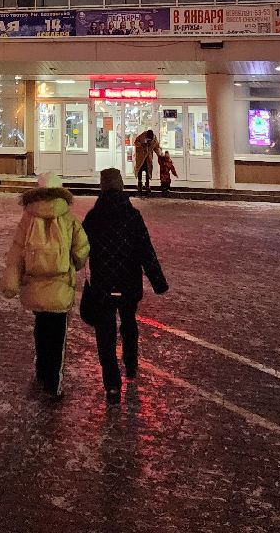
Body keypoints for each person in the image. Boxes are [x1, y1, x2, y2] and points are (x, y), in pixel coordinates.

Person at [1, 171, 90, 400]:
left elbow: (16, 252)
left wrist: (11, 283)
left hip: (36, 287)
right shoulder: (68, 218)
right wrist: (75, 264)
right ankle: (53, 382)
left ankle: (41, 372)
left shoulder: (28, 218)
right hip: (60, 288)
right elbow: (82, 249)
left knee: (41, 330)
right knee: (57, 336)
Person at [82, 167, 167, 404]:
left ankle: (111, 384)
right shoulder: (133, 215)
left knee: (105, 333)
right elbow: (145, 250)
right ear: (120, 186)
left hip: (103, 285)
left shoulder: (93, 217)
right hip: (129, 283)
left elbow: (80, 249)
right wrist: (158, 282)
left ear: (102, 187)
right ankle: (130, 364)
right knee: (129, 323)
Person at [132, 128, 157, 194]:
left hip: (148, 158)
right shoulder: (141, 137)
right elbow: (135, 142)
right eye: (148, 139)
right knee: (139, 170)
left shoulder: (154, 139)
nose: (149, 140)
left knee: (148, 171)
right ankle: (140, 184)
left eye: (150, 139)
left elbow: (156, 147)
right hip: (140, 158)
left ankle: (147, 185)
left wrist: (160, 154)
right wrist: (141, 145)